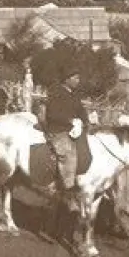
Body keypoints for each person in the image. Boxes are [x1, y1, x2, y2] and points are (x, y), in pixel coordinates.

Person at [44, 72, 89, 201]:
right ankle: (69, 190)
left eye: (78, 77)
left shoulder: (74, 95)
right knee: (68, 152)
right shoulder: (56, 93)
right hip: (59, 131)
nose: (78, 80)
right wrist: (70, 121)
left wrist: (86, 121)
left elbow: (81, 111)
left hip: (75, 130)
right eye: (75, 78)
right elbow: (51, 114)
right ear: (67, 79)